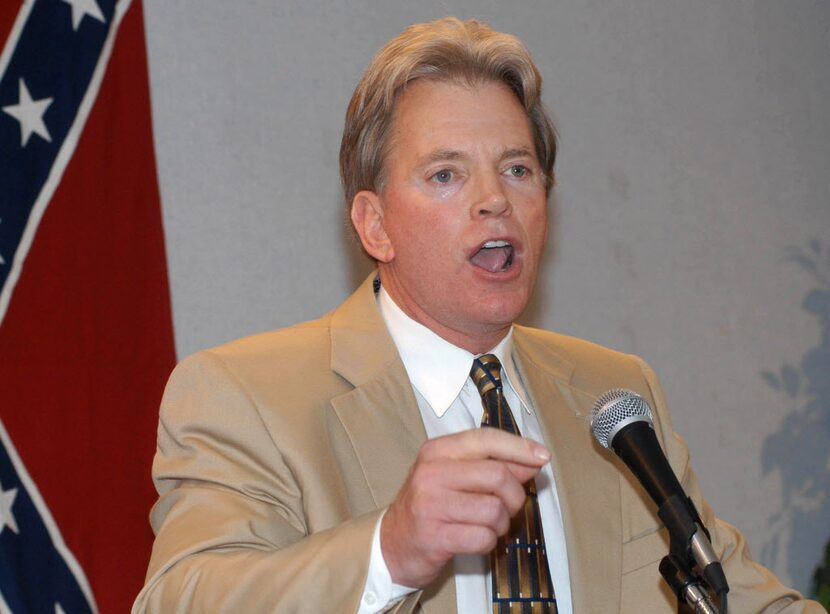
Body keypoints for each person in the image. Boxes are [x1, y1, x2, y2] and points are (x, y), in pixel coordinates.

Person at [133, 17, 823, 613]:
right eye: (446, 174)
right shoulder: (244, 394)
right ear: (375, 226)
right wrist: (391, 550)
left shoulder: (614, 395)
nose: (495, 200)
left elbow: (733, 590)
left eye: (518, 169)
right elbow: (183, 598)